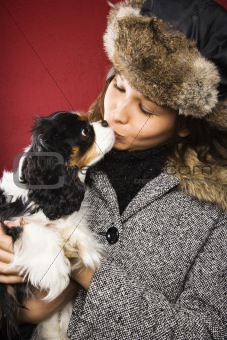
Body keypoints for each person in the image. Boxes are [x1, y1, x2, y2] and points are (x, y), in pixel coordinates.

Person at [0, 0, 227, 339]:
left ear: (186, 124)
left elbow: (205, 332)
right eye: (118, 86)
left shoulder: (215, 213)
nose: (117, 113)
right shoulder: (63, 151)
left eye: (146, 108)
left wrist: (78, 263)